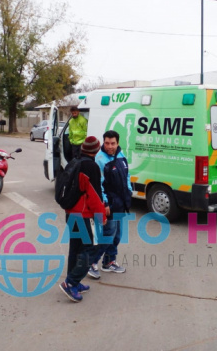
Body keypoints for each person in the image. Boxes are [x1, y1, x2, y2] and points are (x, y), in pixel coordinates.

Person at [59, 136, 107, 303]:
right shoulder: (90, 166)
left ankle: (75, 281)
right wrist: (101, 217)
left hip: (70, 213)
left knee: (76, 247)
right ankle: (70, 283)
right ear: (97, 149)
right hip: (84, 216)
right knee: (93, 248)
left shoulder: (75, 161)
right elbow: (94, 195)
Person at [88, 130, 132, 279]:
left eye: (113, 143)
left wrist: (129, 190)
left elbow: (127, 174)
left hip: (121, 202)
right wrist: (104, 202)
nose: (110, 146)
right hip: (110, 204)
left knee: (117, 235)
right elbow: (98, 184)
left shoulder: (121, 155)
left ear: (117, 143)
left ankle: (109, 262)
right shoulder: (99, 159)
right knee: (108, 234)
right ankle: (91, 263)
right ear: (103, 143)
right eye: (107, 143)